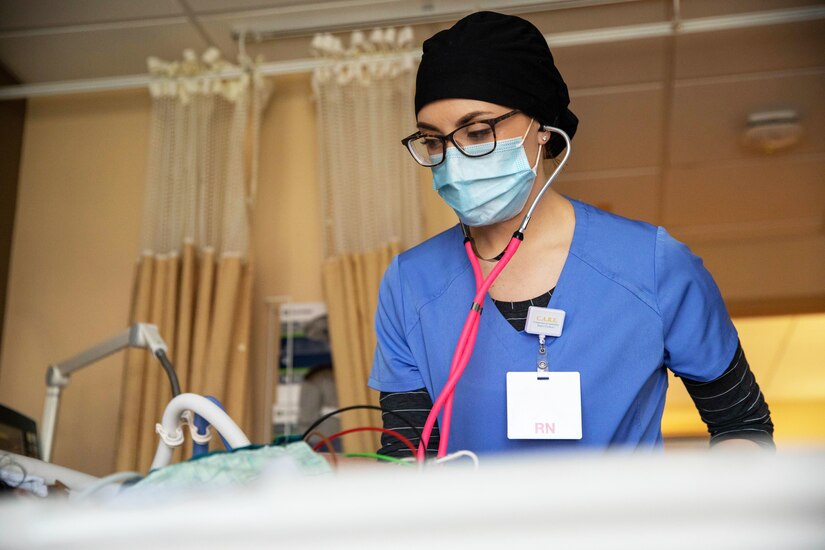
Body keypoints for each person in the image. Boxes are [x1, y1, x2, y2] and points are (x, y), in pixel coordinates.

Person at [368, 11, 774, 456]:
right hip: (473, 527)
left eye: (478, 131)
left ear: (540, 127)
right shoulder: (411, 283)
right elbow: (406, 456)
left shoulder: (652, 265)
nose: (454, 157)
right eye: (433, 141)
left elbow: (743, 425)